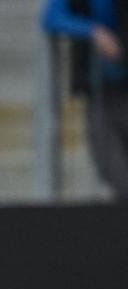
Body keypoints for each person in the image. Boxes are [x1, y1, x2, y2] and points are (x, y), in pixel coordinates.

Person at [42, 0, 128, 199]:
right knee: (111, 163)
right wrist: (93, 32)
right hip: (99, 92)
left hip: (124, 87)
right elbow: (51, 18)